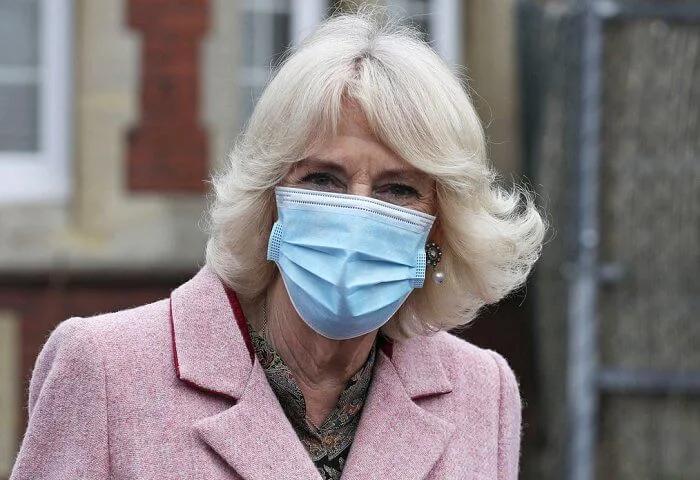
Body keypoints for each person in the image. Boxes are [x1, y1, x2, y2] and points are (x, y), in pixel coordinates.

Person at [11, 8, 545, 480]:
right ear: (270, 199)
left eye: (397, 189)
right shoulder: (105, 370)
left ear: (441, 228)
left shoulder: (481, 392)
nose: (358, 211)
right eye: (323, 179)